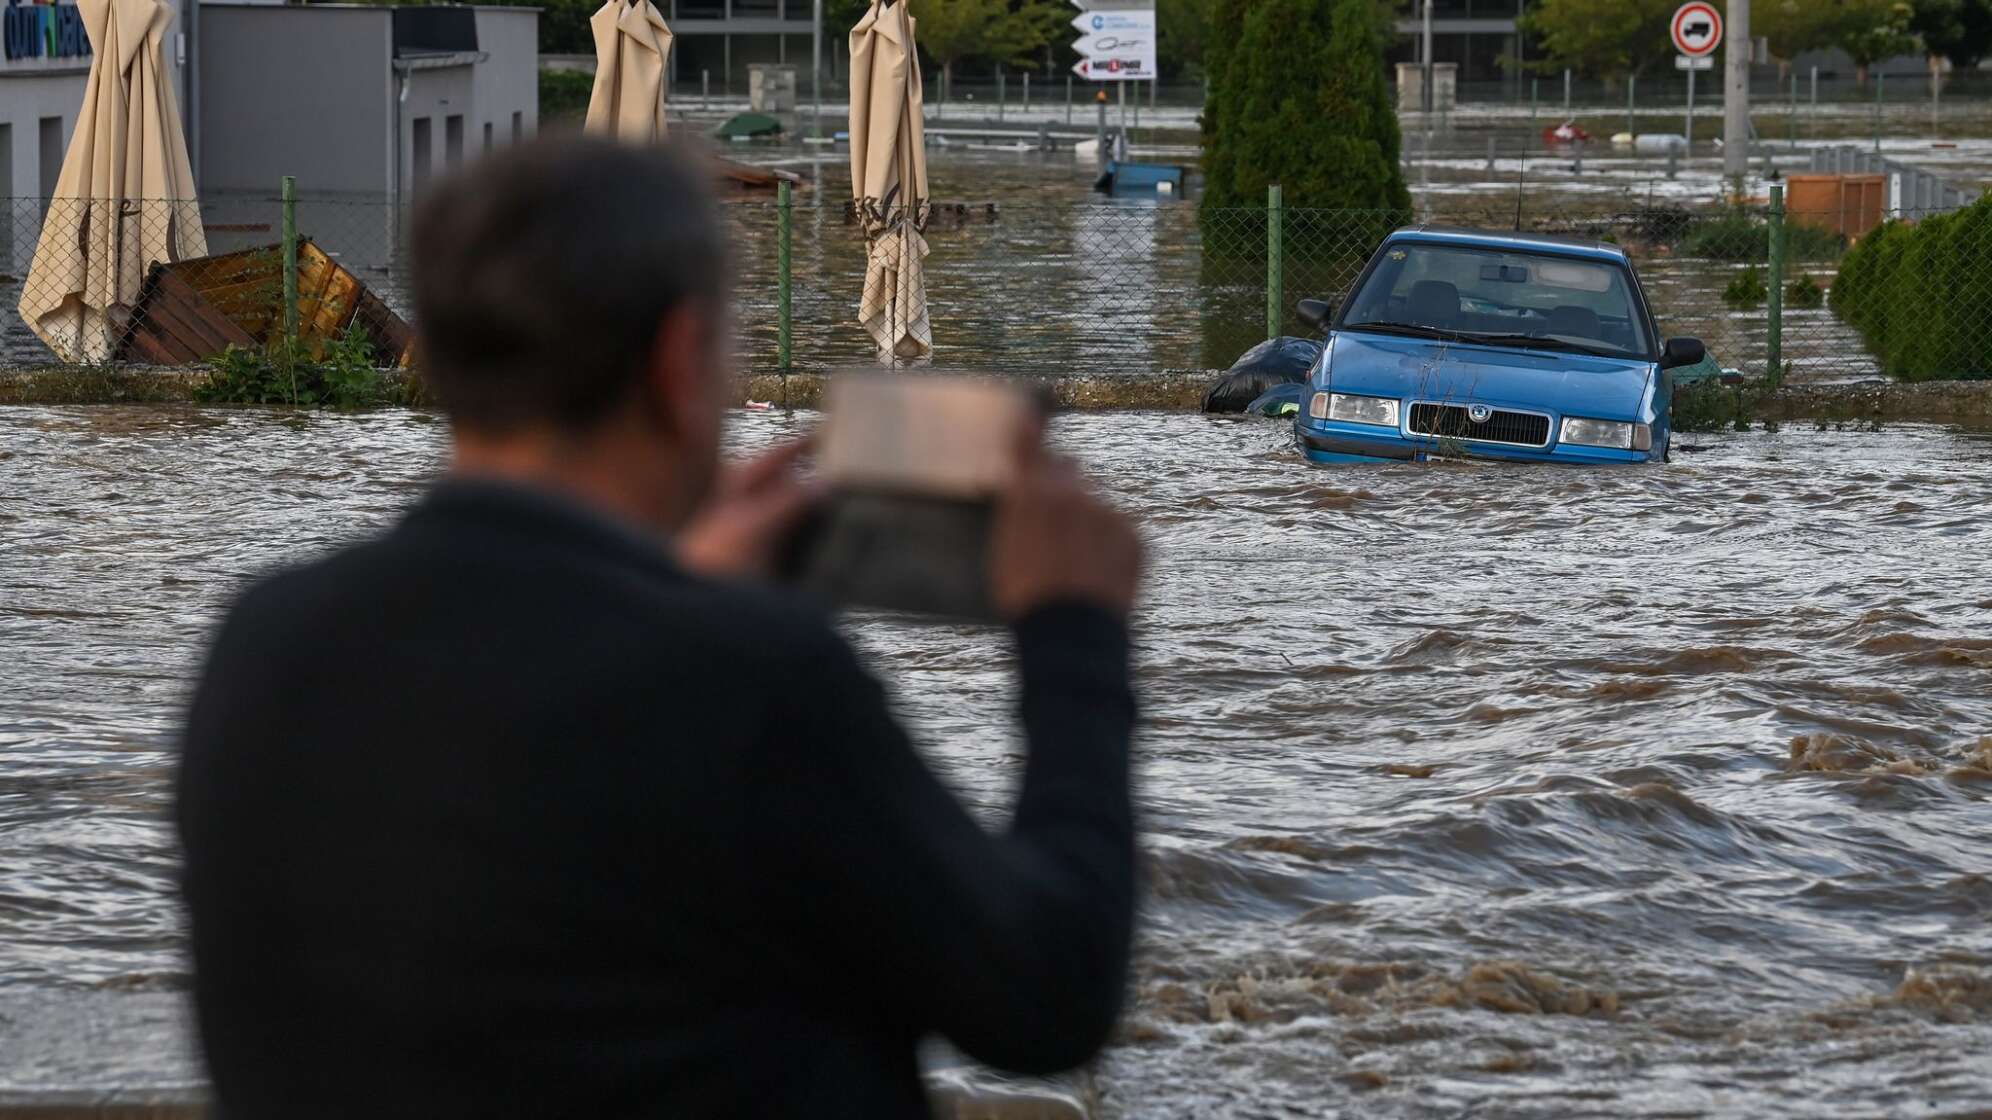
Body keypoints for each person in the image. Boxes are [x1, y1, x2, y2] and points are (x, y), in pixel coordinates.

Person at [175, 137, 1144, 1118]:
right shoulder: (753, 680)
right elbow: (1045, 994)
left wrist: (674, 585)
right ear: (681, 361)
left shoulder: (266, 643)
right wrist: (1074, 629)